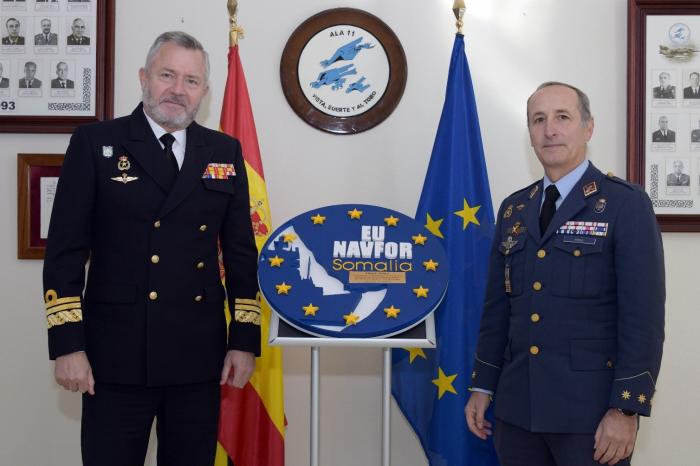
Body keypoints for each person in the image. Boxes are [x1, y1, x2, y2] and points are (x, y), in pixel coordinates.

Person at [43, 31, 261, 466]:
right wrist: (68, 344)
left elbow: (240, 254)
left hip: (197, 357)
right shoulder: (96, 144)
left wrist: (244, 340)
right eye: (167, 75)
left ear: (204, 91)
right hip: (114, 357)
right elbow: (65, 254)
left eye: (191, 80)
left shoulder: (223, 151)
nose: (178, 90)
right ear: (144, 77)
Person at [465, 82, 665, 466]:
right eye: (538, 120)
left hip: (590, 418)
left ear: (588, 128)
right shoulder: (514, 209)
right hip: (518, 413)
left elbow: (644, 319)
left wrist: (625, 410)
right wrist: (482, 385)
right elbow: (497, 312)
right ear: (530, 134)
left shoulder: (624, 205)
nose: (550, 130)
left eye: (562, 117)